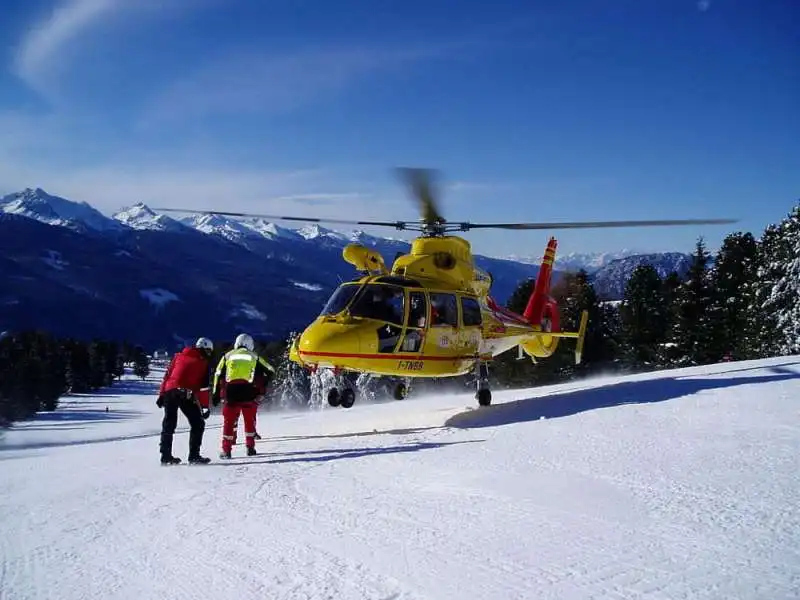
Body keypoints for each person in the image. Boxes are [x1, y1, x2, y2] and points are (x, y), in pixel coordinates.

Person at [212, 333, 275, 458]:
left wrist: (215, 394)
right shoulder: (254, 356)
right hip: (248, 391)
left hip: (231, 392)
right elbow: (270, 370)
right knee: (249, 421)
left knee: (229, 422)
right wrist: (263, 384)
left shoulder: (227, 356)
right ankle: (250, 447)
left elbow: (217, 374)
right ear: (250, 344)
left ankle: (226, 450)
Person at [156, 337, 215, 465]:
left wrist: (161, 394)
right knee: (197, 423)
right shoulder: (203, 362)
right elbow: (203, 389)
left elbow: (167, 375)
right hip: (185, 393)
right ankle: (194, 456)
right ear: (205, 349)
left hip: (169, 392)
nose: (209, 354)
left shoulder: (178, 356)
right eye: (209, 351)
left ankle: (165, 456)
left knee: (169, 423)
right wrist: (204, 407)